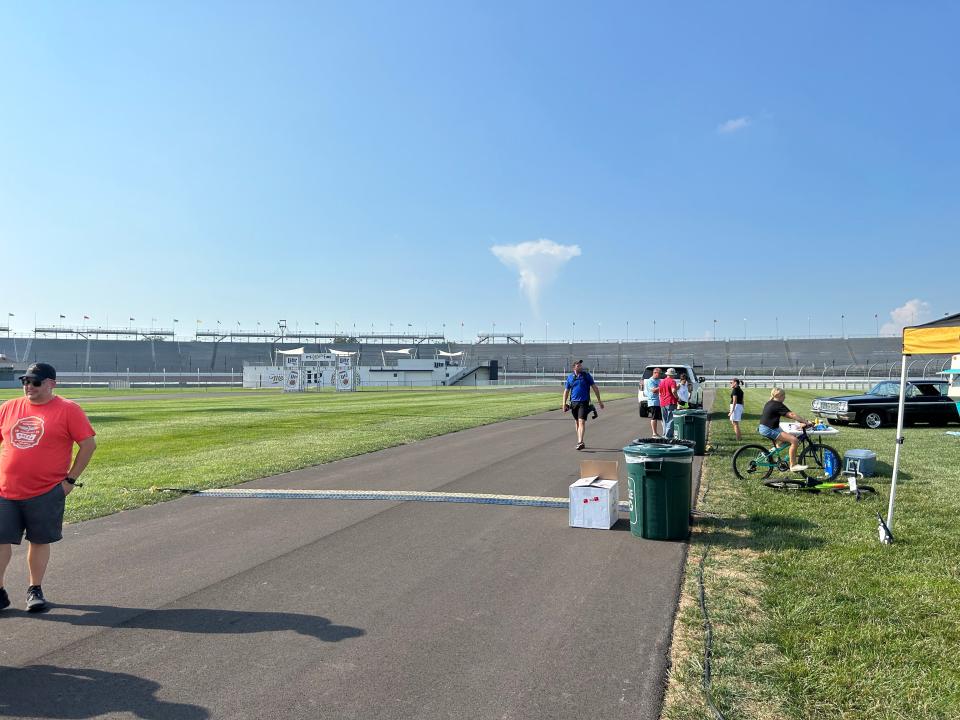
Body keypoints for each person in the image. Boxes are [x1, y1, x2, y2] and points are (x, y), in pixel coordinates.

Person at [0, 363, 96, 612]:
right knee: (0, 541)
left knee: (39, 540)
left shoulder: (68, 410)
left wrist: (69, 481)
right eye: (25, 381)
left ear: (51, 383)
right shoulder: (9, 408)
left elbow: (88, 445)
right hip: (5, 490)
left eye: (35, 381)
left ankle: (35, 589)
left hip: (45, 491)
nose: (28, 386)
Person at [757, 387, 810, 472]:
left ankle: (767, 454)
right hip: (769, 429)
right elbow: (792, 415)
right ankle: (793, 465)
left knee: (789, 438)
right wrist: (805, 422)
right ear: (780, 396)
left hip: (766, 427)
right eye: (784, 395)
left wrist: (800, 422)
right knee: (794, 440)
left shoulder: (771, 402)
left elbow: (788, 415)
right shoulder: (778, 405)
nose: (785, 397)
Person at [562, 360, 604, 450]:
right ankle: (579, 441)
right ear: (574, 367)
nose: (580, 367)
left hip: (584, 402)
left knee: (581, 421)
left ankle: (580, 441)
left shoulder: (586, 376)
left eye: (581, 366)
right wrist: (563, 404)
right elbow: (566, 391)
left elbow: (595, 388)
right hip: (573, 403)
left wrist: (599, 401)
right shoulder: (570, 378)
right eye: (578, 366)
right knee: (577, 422)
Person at [659, 368, 680, 439]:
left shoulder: (662, 381)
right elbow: (673, 391)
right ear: (672, 375)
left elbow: (661, 391)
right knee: (671, 419)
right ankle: (668, 435)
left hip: (662, 402)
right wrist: (677, 397)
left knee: (664, 419)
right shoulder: (672, 381)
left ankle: (664, 434)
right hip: (671, 401)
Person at [643, 368, 662, 437]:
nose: (660, 375)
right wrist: (662, 387)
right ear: (655, 373)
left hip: (659, 401)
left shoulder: (659, 380)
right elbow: (653, 390)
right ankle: (654, 433)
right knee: (654, 417)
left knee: (661, 418)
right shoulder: (650, 381)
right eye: (659, 373)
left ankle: (663, 432)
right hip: (653, 401)